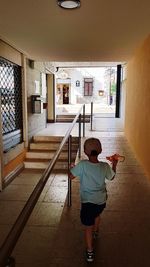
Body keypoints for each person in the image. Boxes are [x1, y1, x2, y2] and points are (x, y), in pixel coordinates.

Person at [69, 137, 118, 262]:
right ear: (100, 150)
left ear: (85, 152)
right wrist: (114, 164)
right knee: (97, 214)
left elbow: (71, 177)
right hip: (101, 201)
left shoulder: (83, 165)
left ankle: (90, 251)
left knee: (88, 227)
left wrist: (72, 167)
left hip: (87, 202)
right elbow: (111, 177)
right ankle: (96, 232)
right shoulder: (104, 166)